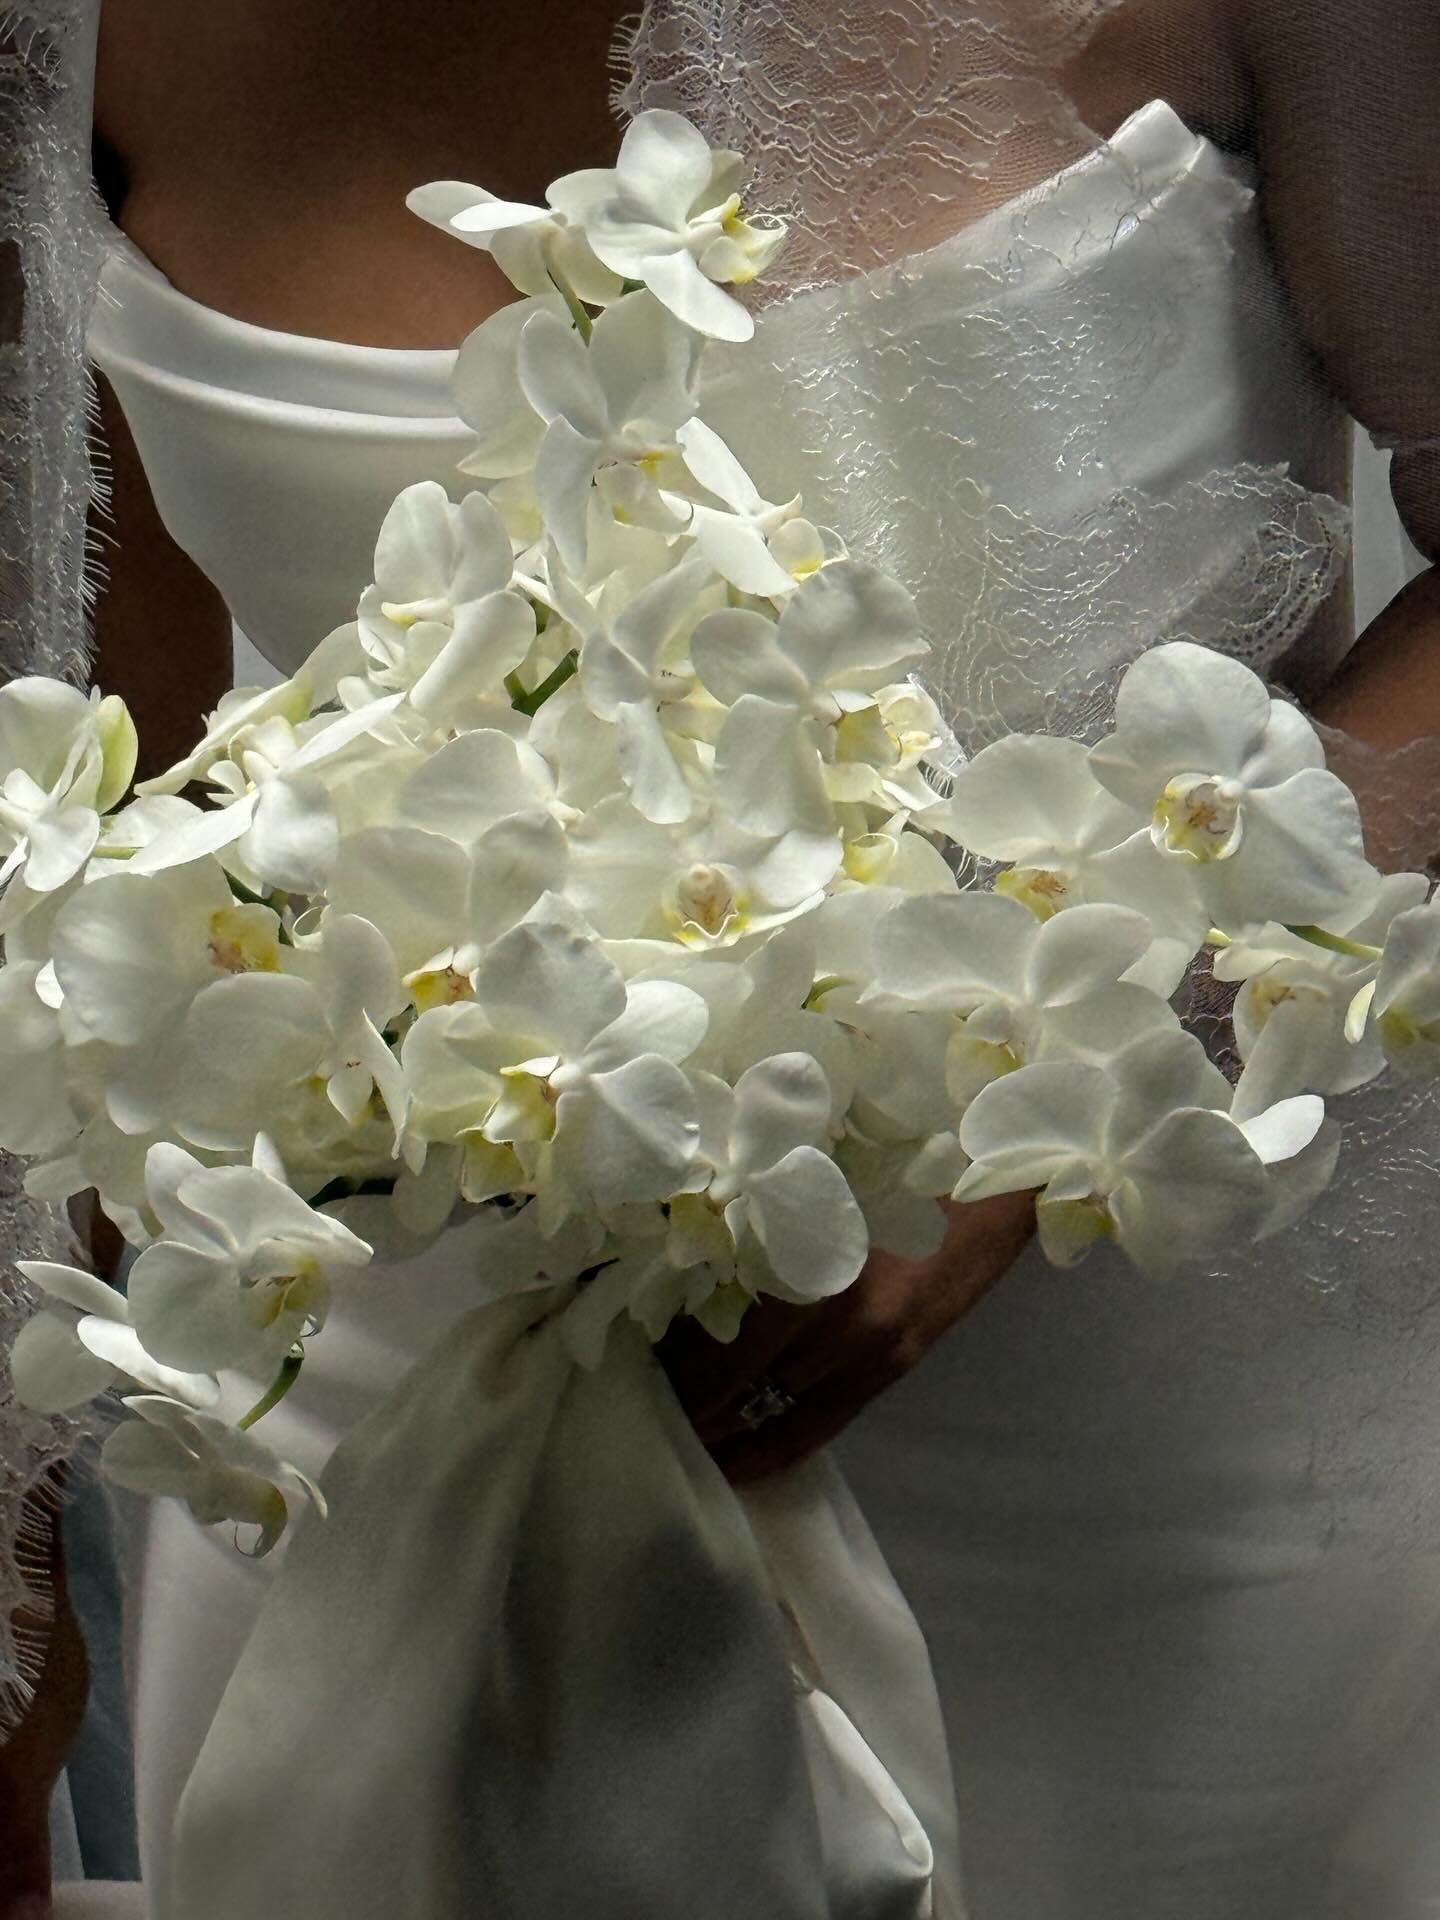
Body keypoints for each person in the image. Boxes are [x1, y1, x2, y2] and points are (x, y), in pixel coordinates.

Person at [6, 0, 1438, 1912]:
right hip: (377, 1454)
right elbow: (97, 755)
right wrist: (21, 1596)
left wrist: (1075, 1077)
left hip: (1141, 1450)